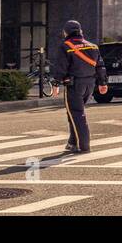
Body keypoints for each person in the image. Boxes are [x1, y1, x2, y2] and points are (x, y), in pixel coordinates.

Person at [49, 19, 109, 154]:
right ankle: (72, 142)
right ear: (80, 31)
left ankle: (84, 145)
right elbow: (100, 66)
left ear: (66, 32)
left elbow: (61, 68)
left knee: (76, 113)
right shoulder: (93, 46)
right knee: (74, 113)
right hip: (90, 84)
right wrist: (103, 83)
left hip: (74, 84)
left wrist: (55, 83)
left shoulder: (66, 46)